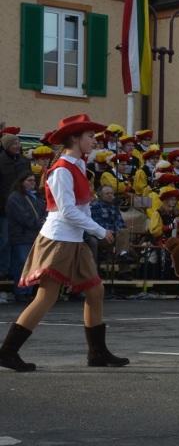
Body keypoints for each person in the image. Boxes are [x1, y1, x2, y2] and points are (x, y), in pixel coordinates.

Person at [0, 115, 129, 372]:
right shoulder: (60, 170)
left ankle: (97, 353)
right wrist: (99, 230)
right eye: (90, 136)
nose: (95, 141)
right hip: (58, 239)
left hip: (74, 239)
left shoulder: (79, 165)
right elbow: (67, 211)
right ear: (74, 138)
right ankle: (8, 352)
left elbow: (82, 207)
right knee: (46, 296)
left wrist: (93, 229)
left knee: (95, 291)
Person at [5, 171, 45, 302]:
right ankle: (20, 291)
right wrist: (39, 223)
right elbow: (23, 217)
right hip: (21, 236)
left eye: (34, 180)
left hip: (34, 235)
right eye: (29, 180)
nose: (33, 182)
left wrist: (43, 221)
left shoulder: (36, 196)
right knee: (22, 265)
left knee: (33, 265)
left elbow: (45, 211)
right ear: (21, 182)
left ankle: (28, 291)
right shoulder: (15, 197)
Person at [0, 131, 32, 280]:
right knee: (6, 240)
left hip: (24, 207)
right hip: (4, 208)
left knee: (20, 240)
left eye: (18, 143)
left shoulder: (25, 161)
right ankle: (4, 269)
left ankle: (16, 271)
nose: (17, 146)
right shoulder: (0, 161)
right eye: (14, 143)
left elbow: (30, 182)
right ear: (6, 146)